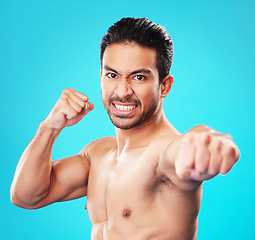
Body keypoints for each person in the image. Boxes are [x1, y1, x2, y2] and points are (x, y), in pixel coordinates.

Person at [10, 17, 240, 240]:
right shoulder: (98, 154)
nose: (122, 91)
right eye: (112, 75)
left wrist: (206, 142)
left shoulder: (163, 154)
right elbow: (27, 197)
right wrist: (49, 127)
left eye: (138, 77)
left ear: (164, 86)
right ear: (101, 77)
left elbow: (184, 150)